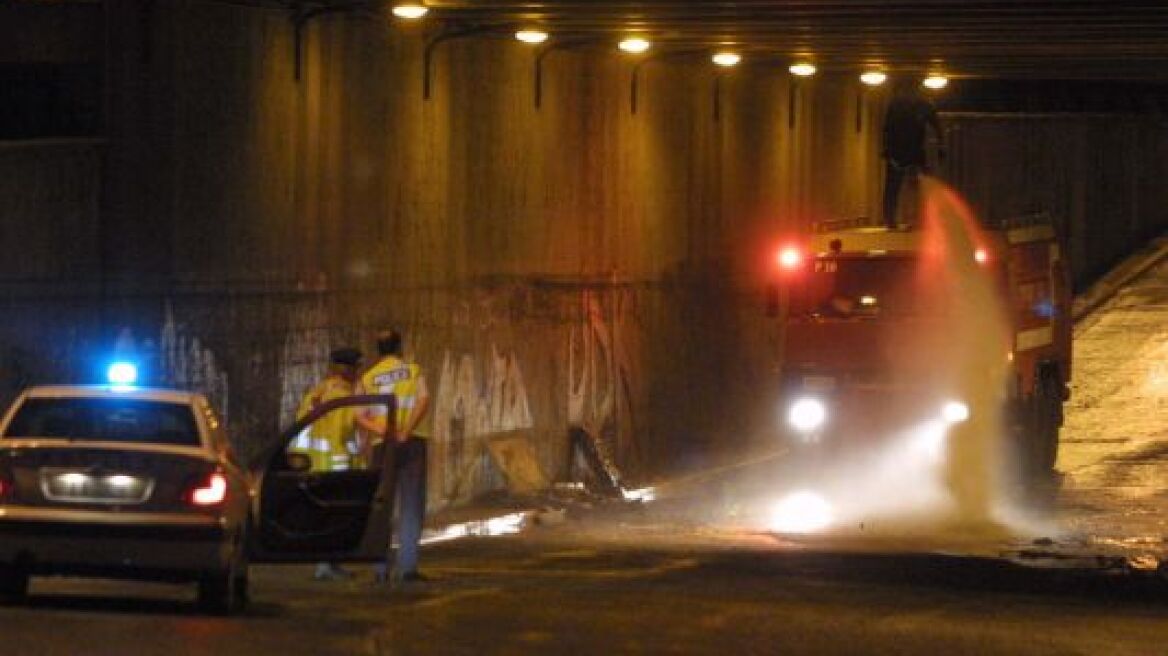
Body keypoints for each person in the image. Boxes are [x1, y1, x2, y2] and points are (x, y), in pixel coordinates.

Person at [356, 329, 431, 586]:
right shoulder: (413, 370)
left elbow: (360, 415)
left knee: (381, 505)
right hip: (412, 444)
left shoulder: (368, 378)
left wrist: (385, 431)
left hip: (382, 446)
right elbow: (424, 400)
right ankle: (407, 567)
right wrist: (405, 431)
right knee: (411, 504)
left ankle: (379, 569)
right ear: (400, 347)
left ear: (378, 349)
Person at [291, 346, 364, 581]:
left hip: (311, 463)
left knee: (323, 515)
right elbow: (345, 432)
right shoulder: (343, 395)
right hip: (335, 463)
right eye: (356, 369)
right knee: (334, 516)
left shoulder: (317, 391)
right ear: (349, 370)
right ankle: (325, 565)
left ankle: (330, 563)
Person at [881, 78, 944, 230]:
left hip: (905, 152)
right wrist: (941, 147)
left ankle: (901, 219)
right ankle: (904, 219)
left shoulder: (900, 105)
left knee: (899, 187)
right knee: (906, 187)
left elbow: (887, 130)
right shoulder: (921, 105)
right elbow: (937, 127)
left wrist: (887, 151)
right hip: (908, 152)